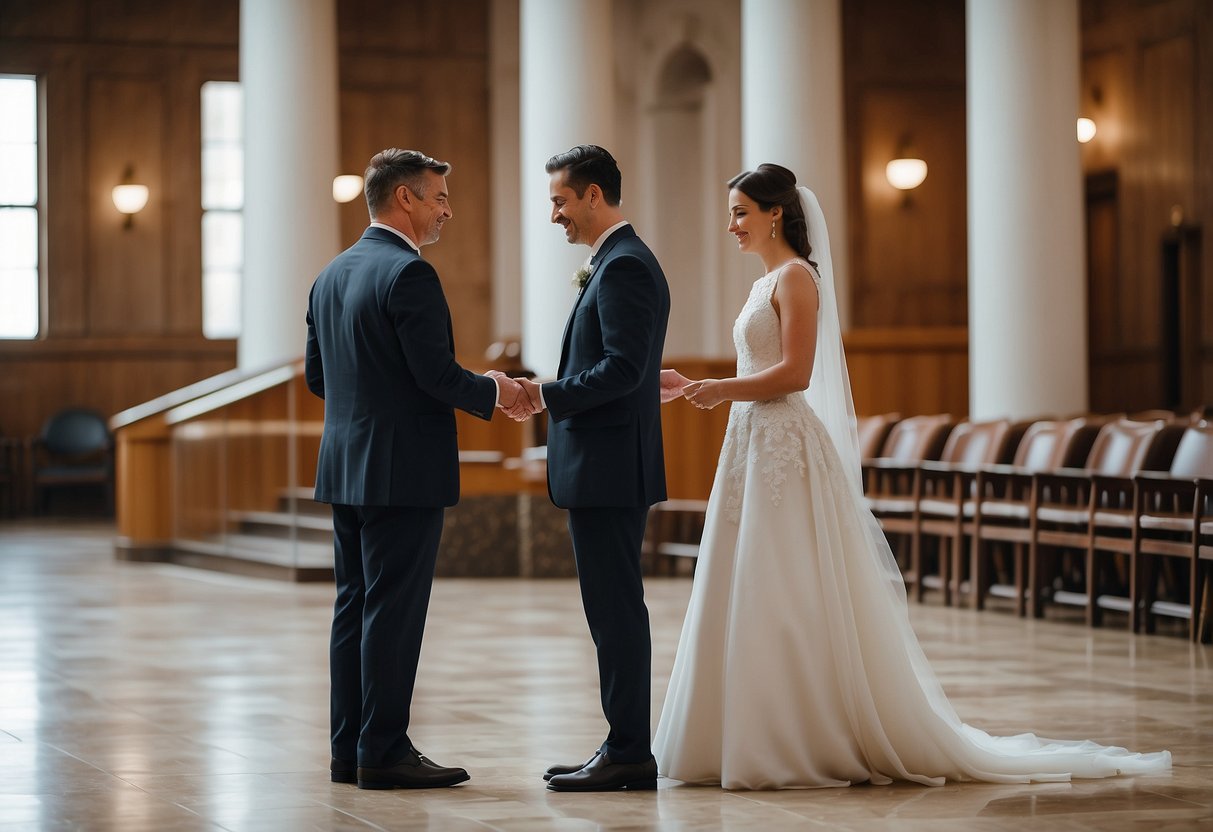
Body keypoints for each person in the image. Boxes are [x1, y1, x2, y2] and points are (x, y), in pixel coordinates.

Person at [653, 163, 1171, 789]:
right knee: (745, 574)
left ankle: (796, 734)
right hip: (751, 441)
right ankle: (733, 731)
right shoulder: (765, 282)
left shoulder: (797, 278)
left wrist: (719, 389)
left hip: (782, 438)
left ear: (773, 214)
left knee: (783, 579)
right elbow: (759, 361)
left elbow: (794, 375)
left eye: (740, 211)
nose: (731, 224)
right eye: (731, 211)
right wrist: (698, 387)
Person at [305, 148, 527, 790]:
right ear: (404, 198)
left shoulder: (330, 275)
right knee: (394, 611)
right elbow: (433, 375)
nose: (446, 211)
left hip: (346, 464)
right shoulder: (409, 274)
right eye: (438, 199)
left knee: (354, 607)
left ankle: (348, 750)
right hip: (402, 470)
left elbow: (322, 379)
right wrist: (493, 390)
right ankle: (385, 751)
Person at [501, 145, 673, 791]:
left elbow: (623, 372)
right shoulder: (612, 263)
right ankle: (620, 743)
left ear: (593, 194)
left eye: (559, 200)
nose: (554, 215)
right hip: (601, 464)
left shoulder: (625, 265)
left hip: (608, 468)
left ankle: (629, 752)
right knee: (609, 610)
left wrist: (543, 394)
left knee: (615, 611)